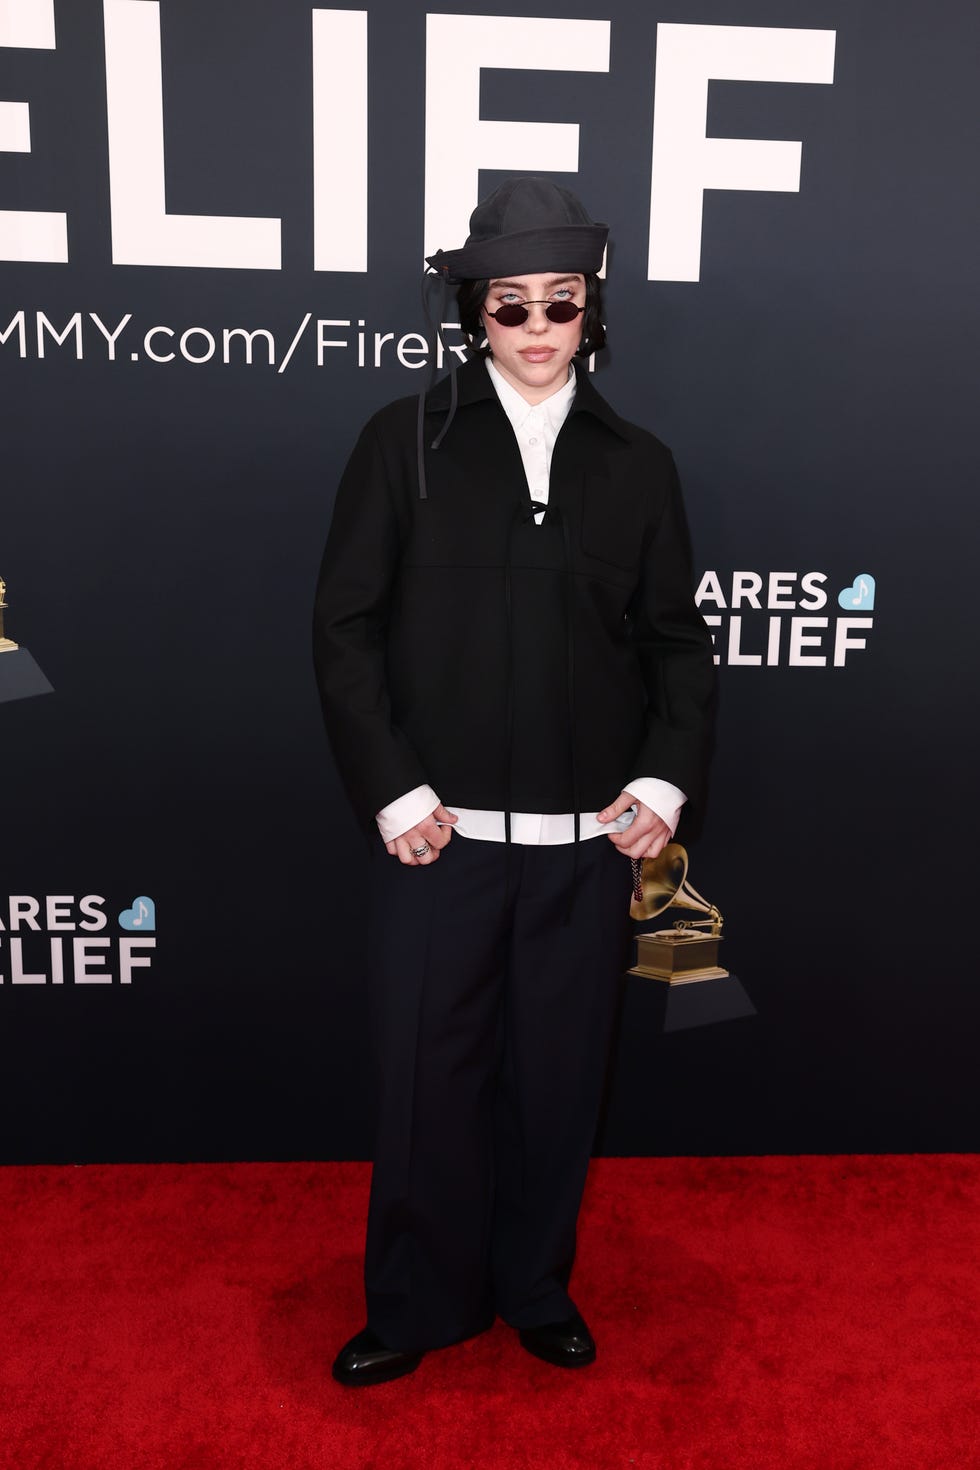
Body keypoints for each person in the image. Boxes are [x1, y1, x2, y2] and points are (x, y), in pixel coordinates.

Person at [313, 176, 716, 1387]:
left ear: (590, 310)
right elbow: (345, 628)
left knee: (555, 1084)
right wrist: (392, 792)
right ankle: (416, 1302)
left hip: (581, 847)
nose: (536, 328)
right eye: (510, 306)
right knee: (428, 1084)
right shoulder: (402, 441)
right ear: (470, 314)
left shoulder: (639, 466)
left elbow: (673, 646)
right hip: (434, 843)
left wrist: (664, 778)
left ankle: (535, 1285)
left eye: (559, 302)